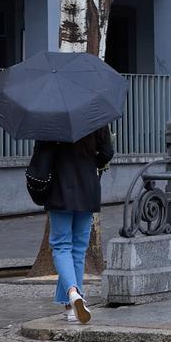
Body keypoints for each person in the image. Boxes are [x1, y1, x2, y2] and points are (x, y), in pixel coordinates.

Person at [27, 126, 114, 323]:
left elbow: (40, 157)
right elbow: (107, 153)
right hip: (88, 189)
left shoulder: (50, 122)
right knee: (78, 249)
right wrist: (91, 161)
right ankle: (71, 307)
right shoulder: (95, 117)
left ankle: (73, 293)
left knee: (61, 246)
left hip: (60, 190)